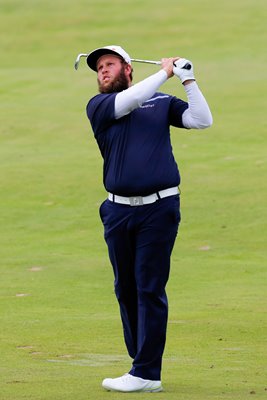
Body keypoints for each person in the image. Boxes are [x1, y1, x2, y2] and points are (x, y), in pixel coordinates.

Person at [85, 45, 212, 393]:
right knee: (125, 290)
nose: (103, 72)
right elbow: (128, 102)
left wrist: (187, 79)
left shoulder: (160, 103)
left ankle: (146, 372)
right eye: (98, 68)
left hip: (159, 209)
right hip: (117, 211)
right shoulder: (99, 107)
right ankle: (139, 365)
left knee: (149, 287)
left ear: (128, 68)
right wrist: (165, 73)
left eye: (110, 65)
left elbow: (202, 120)